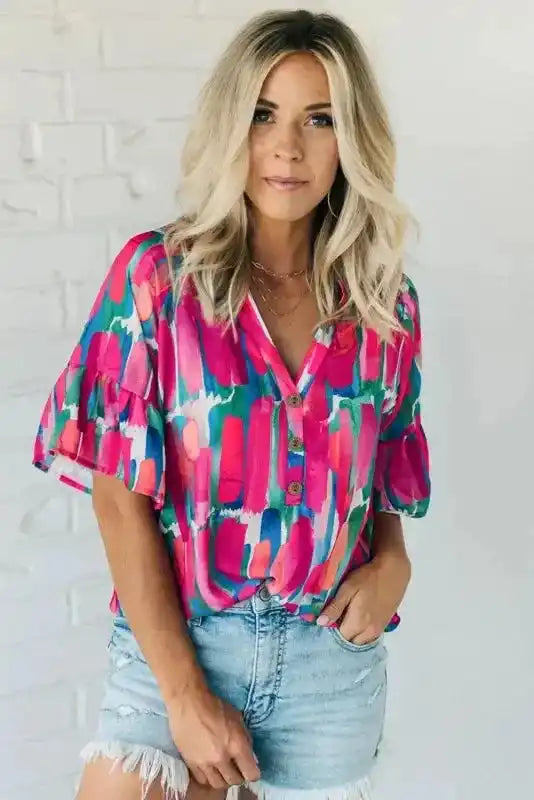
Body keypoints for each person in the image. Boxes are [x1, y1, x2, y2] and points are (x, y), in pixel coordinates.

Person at [32, 9, 430, 800]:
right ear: (230, 125)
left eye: (320, 119)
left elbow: (386, 466)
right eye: (262, 115)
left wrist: (395, 562)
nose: (287, 147)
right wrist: (182, 695)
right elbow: (118, 496)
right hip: (178, 648)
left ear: (352, 139)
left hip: (329, 671)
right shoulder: (155, 280)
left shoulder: (385, 306)